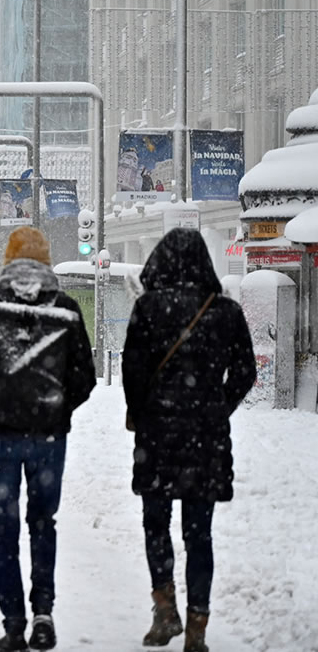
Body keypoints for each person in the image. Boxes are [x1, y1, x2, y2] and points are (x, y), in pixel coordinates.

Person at [0, 227, 96, 652]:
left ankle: (14, 622)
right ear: (47, 262)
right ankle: (44, 613)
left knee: (3, 529)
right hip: (49, 440)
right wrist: (56, 411)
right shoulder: (65, 309)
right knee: (42, 524)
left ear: (7, 264)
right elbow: (83, 377)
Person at [122, 229, 256, 652]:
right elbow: (245, 371)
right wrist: (217, 406)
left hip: (158, 437)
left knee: (156, 526)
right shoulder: (225, 312)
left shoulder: (148, 308)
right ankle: (198, 625)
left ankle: (165, 613)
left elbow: (133, 372)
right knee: (200, 535)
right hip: (206, 439)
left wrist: (143, 412)